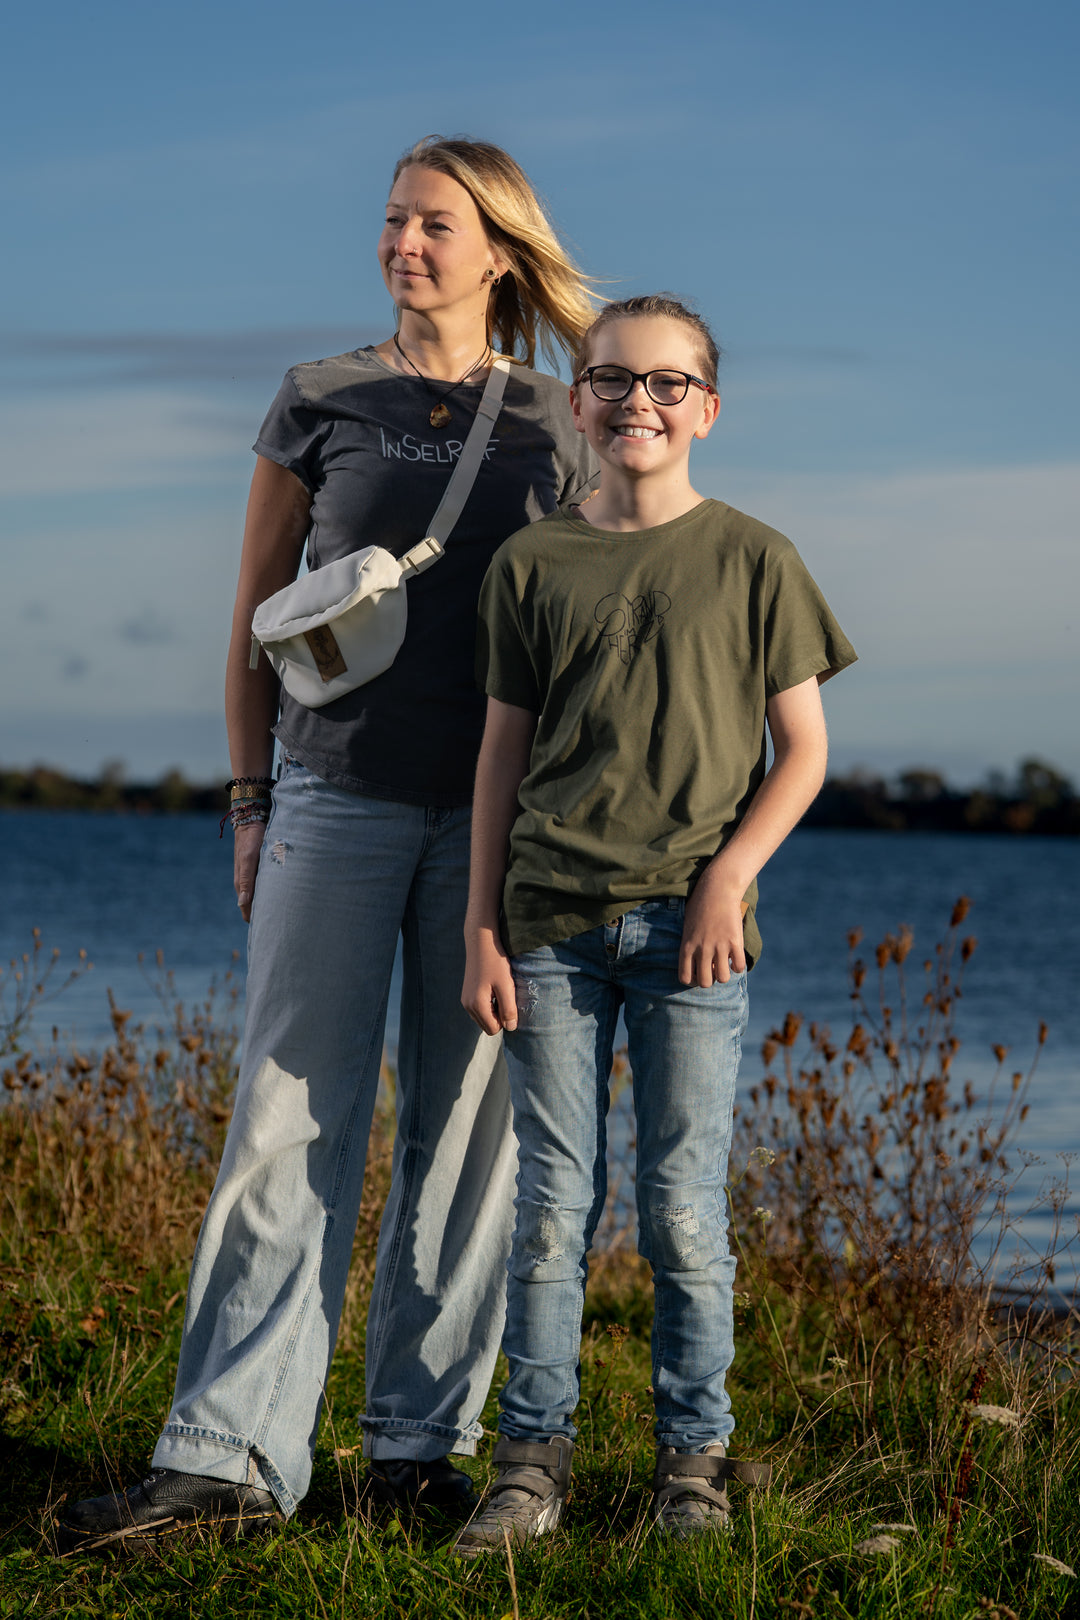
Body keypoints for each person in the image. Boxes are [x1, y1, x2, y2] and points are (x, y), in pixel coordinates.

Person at [57, 136, 598, 1555]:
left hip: (500, 831)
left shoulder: (562, 419)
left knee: (468, 1137)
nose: (403, 243)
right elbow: (255, 614)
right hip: (332, 801)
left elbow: (604, 628)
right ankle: (228, 1457)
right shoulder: (316, 396)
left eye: (434, 224)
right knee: (288, 1124)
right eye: (392, 221)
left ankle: (419, 1451)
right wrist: (250, 801)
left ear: (501, 248)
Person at [455, 295, 856, 1553]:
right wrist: (480, 925)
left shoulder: (756, 558)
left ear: (709, 409)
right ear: (577, 400)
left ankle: (693, 1466)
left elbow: (805, 752)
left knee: (684, 1212)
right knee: (551, 1210)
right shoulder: (531, 566)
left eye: (669, 384)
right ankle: (530, 1464)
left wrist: (729, 880)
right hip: (549, 928)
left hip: (694, 935)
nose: (640, 403)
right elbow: (499, 761)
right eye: (614, 381)